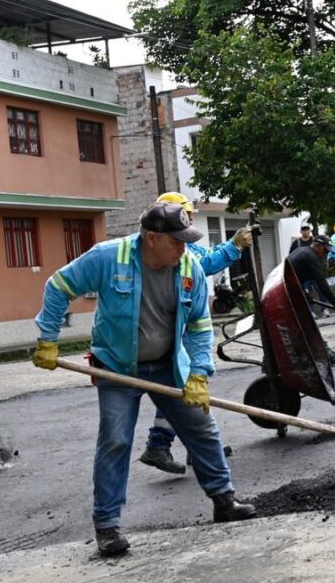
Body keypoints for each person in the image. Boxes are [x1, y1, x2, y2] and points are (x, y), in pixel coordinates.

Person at [32, 202, 256, 557]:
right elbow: (59, 285)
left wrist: (199, 373)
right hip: (117, 367)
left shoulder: (189, 268)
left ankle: (224, 500)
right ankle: (107, 527)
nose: (184, 247)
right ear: (152, 238)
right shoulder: (109, 257)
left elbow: (199, 325)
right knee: (115, 440)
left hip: (169, 365)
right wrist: (48, 338)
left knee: (201, 427)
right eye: (176, 240)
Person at [138, 192, 253, 476]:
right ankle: (166, 445)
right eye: (185, 215)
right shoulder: (168, 248)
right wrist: (234, 246)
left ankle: (187, 446)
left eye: (189, 216)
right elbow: (206, 263)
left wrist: (233, 245)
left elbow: (207, 257)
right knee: (185, 386)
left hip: (183, 323)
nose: (189, 221)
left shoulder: (180, 244)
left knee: (190, 387)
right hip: (178, 327)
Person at [286, 234, 335, 362]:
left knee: (300, 326)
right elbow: (323, 285)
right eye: (325, 251)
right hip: (288, 294)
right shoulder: (311, 257)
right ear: (318, 246)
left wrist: (304, 293)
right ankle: (327, 355)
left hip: (287, 291)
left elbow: (294, 275)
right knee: (308, 324)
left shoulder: (302, 251)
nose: (326, 254)